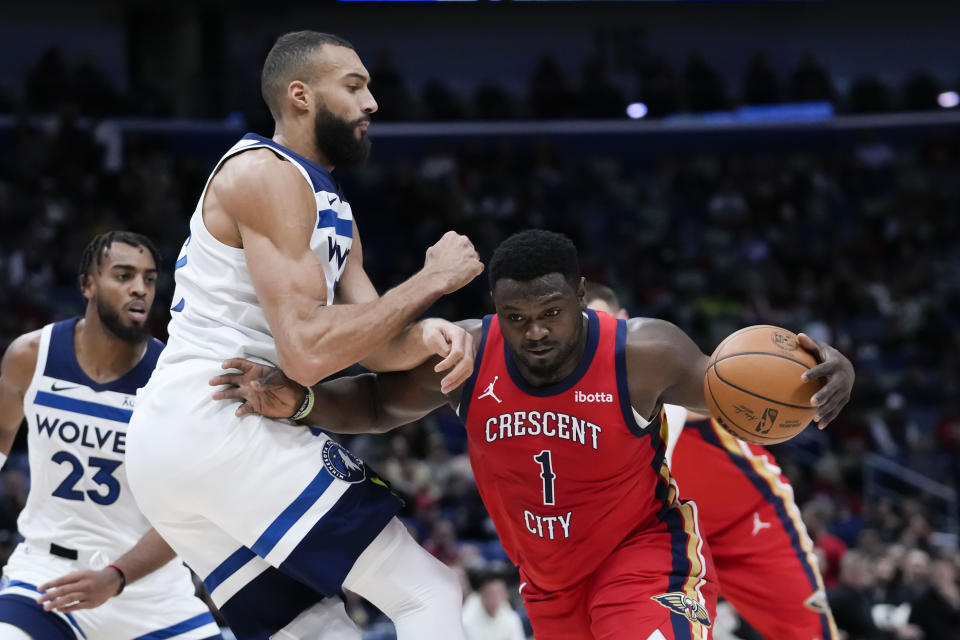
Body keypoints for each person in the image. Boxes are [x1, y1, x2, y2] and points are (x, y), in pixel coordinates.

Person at [212, 229, 855, 639]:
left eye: (551, 312)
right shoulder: (466, 354)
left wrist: (827, 371)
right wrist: (302, 403)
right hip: (548, 582)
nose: (536, 332)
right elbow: (380, 404)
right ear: (496, 308)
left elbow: (736, 392)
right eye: (517, 318)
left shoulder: (644, 353)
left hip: (643, 557)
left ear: (580, 295)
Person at [125, 30, 484, 640]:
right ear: (300, 95)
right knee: (432, 592)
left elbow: (374, 344)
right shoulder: (266, 173)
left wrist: (428, 334)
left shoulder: (327, 200)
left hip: (177, 444)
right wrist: (430, 280)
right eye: (354, 86)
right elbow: (308, 351)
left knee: (314, 629)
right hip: (222, 419)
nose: (372, 103)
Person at [585, 283, 841, 640]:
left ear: (625, 321)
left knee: (808, 634)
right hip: (664, 534)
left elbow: (744, 384)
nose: (592, 335)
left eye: (600, 321)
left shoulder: (660, 368)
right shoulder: (566, 396)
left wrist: (823, 367)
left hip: (748, 520)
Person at [0, 231, 221, 640]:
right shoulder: (32, 356)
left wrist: (115, 577)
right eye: (123, 276)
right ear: (87, 285)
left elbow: (193, 515)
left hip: (148, 587)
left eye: (149, 279)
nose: (140, 288)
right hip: (47, 575)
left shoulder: (173, 380)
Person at [461, 576, 525, 640]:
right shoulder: (467, 620)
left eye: (499, 593)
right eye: (491, 594)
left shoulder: (511, 618)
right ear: (482, 595)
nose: (495, 598)